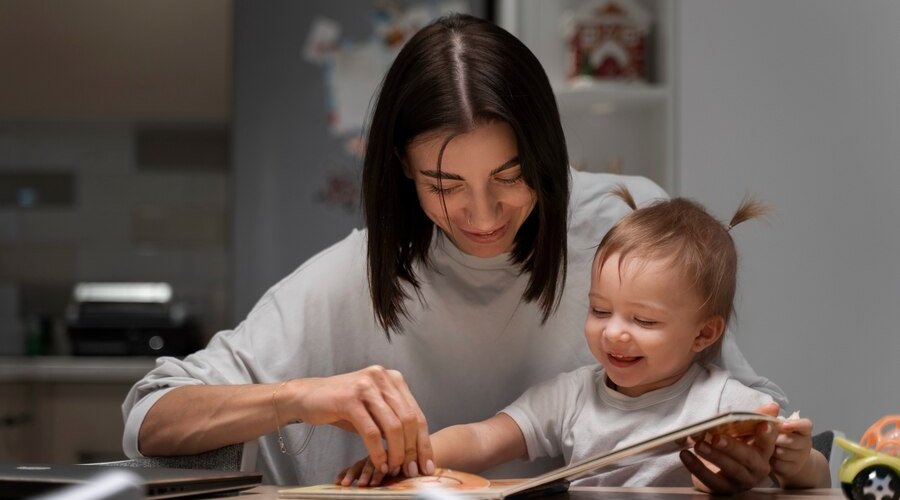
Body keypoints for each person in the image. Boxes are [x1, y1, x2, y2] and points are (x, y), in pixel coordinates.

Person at [122, 14, 788, 488]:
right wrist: (299, 397)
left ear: (547, 153)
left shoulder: (626, 224)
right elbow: (150, 417)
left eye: (510, 177)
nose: (483, 216)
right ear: (403, 171)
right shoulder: (352, 279)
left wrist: (755, 458)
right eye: (445, 186)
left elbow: (753, 409)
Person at [338, 188, 831, 490]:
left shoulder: (724, 403)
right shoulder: (573, 397)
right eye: (599, 310)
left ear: (704, 333)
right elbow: (484, 438)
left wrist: (796, 462)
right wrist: (407, 457)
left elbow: (815, 475)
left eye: (644, 321)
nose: (613, 331)